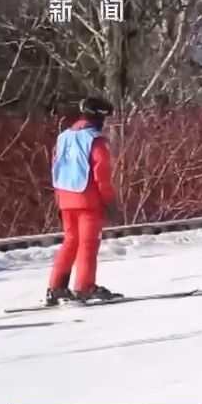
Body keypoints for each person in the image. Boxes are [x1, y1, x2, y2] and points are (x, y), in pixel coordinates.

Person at [45, 97, 121, 306]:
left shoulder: (63, 138)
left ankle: (56, 287)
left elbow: (56, 168)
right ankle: (84, 286)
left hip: (65, 199)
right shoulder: (95, 141)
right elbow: (101, 175)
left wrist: (59, 200)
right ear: (99, 117)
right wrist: (109, 202)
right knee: (88, 244)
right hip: (88, 199)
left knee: (71, 241)